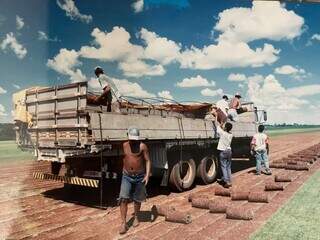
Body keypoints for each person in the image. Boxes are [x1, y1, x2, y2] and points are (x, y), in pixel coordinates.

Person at [118, 127, 152, 234]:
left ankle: (136, 216)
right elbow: (124, 158)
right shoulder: (124, 145)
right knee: (123, 198)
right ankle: (123, 223)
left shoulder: (142, 146)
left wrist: (147, 175)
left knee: (137, 199)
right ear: (128, 136)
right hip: (127, 176)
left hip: (140, 177)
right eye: (131, 138)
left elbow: (147, 161)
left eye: (135, 139)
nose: (133, 141)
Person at [215, 115, 233, 188]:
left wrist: (217, 116)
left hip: (223, 151)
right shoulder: (231, 134)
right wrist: (223, 126)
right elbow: (224, 130)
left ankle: (226, 181)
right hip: (229, 151)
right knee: (228, 167)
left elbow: (217, 125)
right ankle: (229, 180)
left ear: (225, 128)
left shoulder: (222, 133)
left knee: (223, 166)